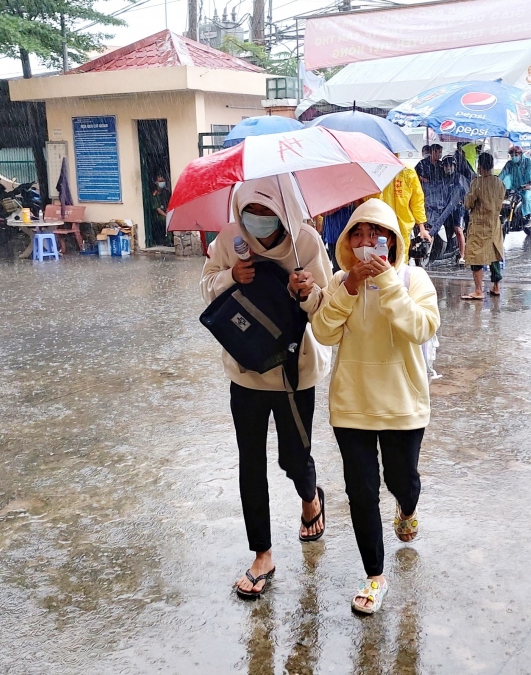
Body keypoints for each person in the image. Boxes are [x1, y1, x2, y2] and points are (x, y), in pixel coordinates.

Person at [200, 176, 333, 599]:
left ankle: (311, 498)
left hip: (295, 373)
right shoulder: (230, 241)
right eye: (248, 213)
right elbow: (206, 286)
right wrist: (230, 278)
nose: (256, 221)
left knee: (294, 457)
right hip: (246, 370)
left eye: (266, 212)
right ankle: (262, 554)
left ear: (284, 210)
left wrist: (308, 292)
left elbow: (329, 315)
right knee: (251, 462)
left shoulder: (307, 244)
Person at [311, 198, 440, 615]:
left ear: (393, 240)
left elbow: (421, 327)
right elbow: (324, 332)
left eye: (376, 234)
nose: (367, 242)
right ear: (347, 241)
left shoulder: (413, 278)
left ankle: (407, 506)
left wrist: (387, 284)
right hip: (352, 406)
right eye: (359, 234)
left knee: (402, 479)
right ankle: (375, 576)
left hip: (403, 404)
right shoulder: (338, 282)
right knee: (361, 492)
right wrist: (348, 288)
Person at [463, 152, 507, 299]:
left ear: (480, 167)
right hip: (494, 224)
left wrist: (468, 195)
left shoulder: (477, 183)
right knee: (494, 256)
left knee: (476, 257)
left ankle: (478, 290)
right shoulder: (499, 183)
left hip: (479, 225)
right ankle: (496, 287)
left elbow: (469, 204)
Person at [375, 161, 431, 254]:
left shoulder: (375, 170)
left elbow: (417, 200)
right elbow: (417, 200)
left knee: (383, 256)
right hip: (394, 225)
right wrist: (421, 226)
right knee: (397, 257)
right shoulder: (407, 170)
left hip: (384, 224)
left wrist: (421, 227)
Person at [423, 156, 468, 262]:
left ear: (454, 166)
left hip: (457, 208)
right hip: (444, 208)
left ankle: (462, 256)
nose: (448, 167)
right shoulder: (441, 179)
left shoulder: (459, 178)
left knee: (458, 230)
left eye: (450, 165)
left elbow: (463, 193)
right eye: (446, 165)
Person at [500, 146, 531, 220]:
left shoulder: (527, 162)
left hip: (527, 187)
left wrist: (530, 183)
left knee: (527, 197)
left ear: (520, 154)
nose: (514, 157)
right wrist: (496, 181)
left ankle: (527, 216)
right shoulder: (509, 164)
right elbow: (502, 174)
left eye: (516, 155)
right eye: (512, 155)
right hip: (515, 187)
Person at [149, 174, 172, 246]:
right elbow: (158, 210)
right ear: (156, 183)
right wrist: (167, 216)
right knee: (168, 221)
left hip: (165, 212)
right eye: (160, 181)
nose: (162, 183)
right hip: (158, 215)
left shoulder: (166, 192)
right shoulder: (155, 195)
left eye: (163, 181)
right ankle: (169, 241)